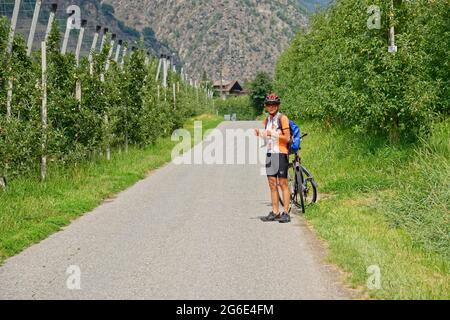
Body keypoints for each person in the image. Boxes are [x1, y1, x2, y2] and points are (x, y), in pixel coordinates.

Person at [255, 94, 291, 223]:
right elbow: (267, 138)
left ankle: (286, 212)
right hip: (270, 153)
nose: (271, 107)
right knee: (272, 184)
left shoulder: (283, 118)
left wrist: (273, 133)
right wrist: (261, 134)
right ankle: (275, 211)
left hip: (281, 153)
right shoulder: (266, 120)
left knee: (283, 183)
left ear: (278, 105)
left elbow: (287, 138)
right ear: (266, 106)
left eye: (274, 104)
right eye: (269, 104)